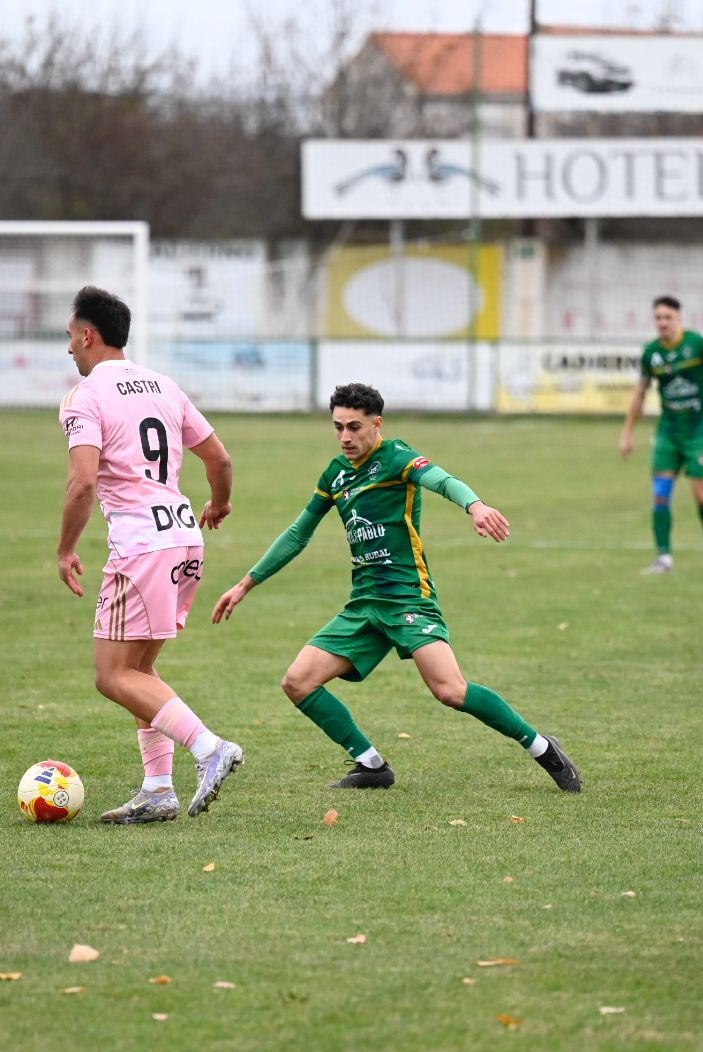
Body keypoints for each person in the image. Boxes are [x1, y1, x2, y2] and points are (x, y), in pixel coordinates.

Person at [211, 382, 581, 793]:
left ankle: (542, 747)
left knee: (450, 690)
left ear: (377, 424)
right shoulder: (335, 474)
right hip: (363, 605)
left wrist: (476, 506)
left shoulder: (396, 457)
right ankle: (372, 766)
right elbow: (299, 533)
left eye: (354, 426)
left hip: (407, 598)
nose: (345, 436)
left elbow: (441, 480)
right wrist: (245, 584)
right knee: (298, 682)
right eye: (338, 427)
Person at [57, 285, 242, 824]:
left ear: (88, 335)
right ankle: (158, 789)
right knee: (140, 669)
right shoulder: (163, 385)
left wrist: (66, 549)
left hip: (141, 546)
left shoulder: (84, 396)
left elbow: (83, 483)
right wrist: (220, 503)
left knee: (112, 675)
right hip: (183, 536)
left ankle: (210, 748)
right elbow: (219, 459)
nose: (68, 348)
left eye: (70, 337)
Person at [619, 295, 703, 575]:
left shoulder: (698, 345)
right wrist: (627, 434)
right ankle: (664, 557)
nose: (662, 323)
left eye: (667, 317)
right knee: (660, 495)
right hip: (668, 434)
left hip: (698, 433)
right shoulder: (651, 353)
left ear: (679, 318)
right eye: (658, 318)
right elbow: (639, 394)